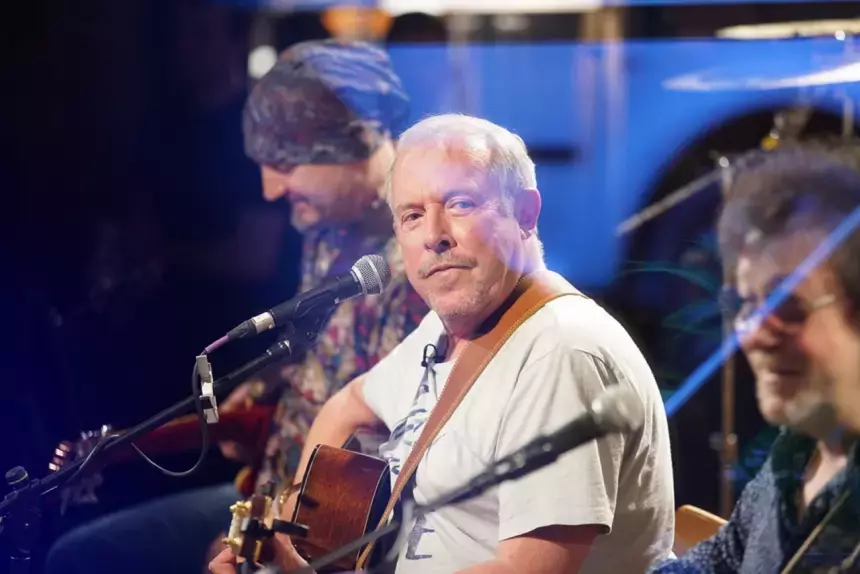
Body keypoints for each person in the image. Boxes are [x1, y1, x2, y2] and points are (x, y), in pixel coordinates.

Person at [211, 114, 676, 574]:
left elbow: (528, 570)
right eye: (412, 216)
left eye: (460, 204)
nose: (434, 236)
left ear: (526, 213)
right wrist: (298, 528)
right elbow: (349, 404)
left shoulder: (559, 352)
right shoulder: (452, 325)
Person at [44, 39, 428, 574]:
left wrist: (256, 544)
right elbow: (326, 355)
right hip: (266, 485)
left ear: (355, 140)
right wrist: (266, 387)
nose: (270, 190)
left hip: (324, 528)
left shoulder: (423, 261)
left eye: (285, 164)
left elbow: (395, 444)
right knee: (81, 554)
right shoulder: (326, 226)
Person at [650, 143, 860, 573]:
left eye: (787, 305)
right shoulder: (794, 456)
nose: (755, 335)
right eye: (746, 304)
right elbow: (719, 561)